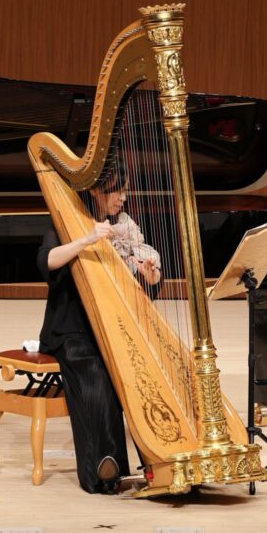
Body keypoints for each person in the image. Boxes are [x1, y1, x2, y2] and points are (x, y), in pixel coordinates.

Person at [37, 169, 161, 494]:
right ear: (95, 192)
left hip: (111, 325)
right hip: (71, 331)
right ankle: (101, 468)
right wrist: (87, 239)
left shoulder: (124, 226)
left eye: (125, 191)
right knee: (95, 374)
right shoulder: (65, 221)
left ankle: (146, 460)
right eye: (117, 192)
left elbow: (138, 278)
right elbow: (47, 261)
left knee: (133, 373)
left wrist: (147, 275)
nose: (122, 199)